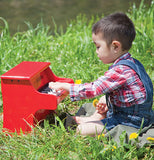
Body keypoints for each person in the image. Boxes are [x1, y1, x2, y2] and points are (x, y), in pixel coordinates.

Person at [49, 12, 154, 136]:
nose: (96, 52)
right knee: (102, 101)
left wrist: (66, 87)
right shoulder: (132, 62)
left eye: (98, 47)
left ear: (115, 46)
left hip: (130, 122)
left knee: (81, 131)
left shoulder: (120, 71)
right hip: (134, 113)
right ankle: (93, 118)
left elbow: (93, 89)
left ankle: (90, 122)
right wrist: (106, 99)